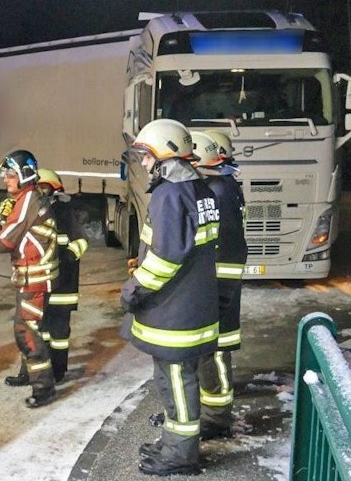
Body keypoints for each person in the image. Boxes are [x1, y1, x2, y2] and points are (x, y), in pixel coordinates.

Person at [120, 119, 220, 476]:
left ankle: (181, 454)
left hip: (174, 314)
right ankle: (173, 443)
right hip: (193, 308)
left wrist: (132, 290)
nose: (144, 164)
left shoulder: (169, 195)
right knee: (178, 380)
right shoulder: (201, 190)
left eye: (147, 157)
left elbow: (165, 259)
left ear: (165, 156)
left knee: (176, 381)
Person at [0, 149, 60, 408]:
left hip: (34, 279)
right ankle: (34, 377)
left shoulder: (28, 200)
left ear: (25, 175)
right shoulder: (28, 199)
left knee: (27, 331)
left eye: (10, 174)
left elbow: (4, 242)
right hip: (31, 277)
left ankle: (44, 388)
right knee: (25, 329)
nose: (6, 179)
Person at [190, 130, 246, 440]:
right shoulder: (222, 187)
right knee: (208, 354)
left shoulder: (219, 193)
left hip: (217, 291)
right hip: (214, 288)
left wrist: (218, 296)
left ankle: (217, 419)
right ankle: (206, 412)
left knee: (216, 354)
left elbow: (228, 250)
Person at [36, 168, 87, 383]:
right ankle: (36, 372)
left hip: (63, 285)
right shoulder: (33, 212)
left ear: (52, 189)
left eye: (43, 188)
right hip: (41, 283)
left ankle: (58, 371)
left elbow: (82, 241)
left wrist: (67, 257)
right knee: (38, 331)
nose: (39, 192)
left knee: (58, 334)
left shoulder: (66, 212)